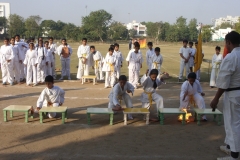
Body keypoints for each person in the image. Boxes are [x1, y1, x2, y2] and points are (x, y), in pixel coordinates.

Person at [210, 31, 240, 160]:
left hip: (233, 93)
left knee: (233, 123)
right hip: (237, 92)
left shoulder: (231, 57)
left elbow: (223, 82)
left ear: (228, 42)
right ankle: (229, 146)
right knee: (233, 122)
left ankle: (234, 155)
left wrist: (216, 98)